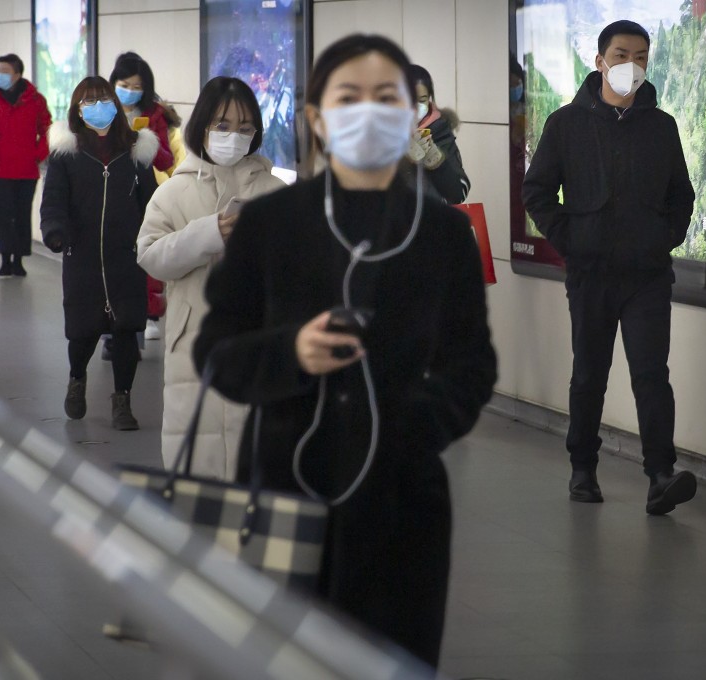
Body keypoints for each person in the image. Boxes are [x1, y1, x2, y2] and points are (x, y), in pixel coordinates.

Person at [192, 34, 496, 671]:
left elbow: (472, 364)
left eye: (388, 98)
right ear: (316, 119)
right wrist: (290, 353)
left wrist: (419, 424)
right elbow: (217, 351)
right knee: (282, 660)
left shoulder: (442, 232)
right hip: (280, 488)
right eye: (348, 97)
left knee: (392, 660)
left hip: (402, 500)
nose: (369, 111)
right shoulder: (272, 223)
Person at [522, 20, 697, 514]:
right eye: (621, 55)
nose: (632, 66)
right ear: (599, 61)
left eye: (641, 56)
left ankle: (660, 474)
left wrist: (664, 238)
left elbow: (681, 197)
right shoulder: (566, 124)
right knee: (589, 375)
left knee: (651, 375)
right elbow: (536, 192)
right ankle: (582, 468)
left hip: (646, 276)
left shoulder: (661, 127)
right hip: (590, 273)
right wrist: (572, 242)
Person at [137, 76, 286, 480]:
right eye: (222, 125)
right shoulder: (173, 192)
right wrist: (209, 233)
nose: (232, 136)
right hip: (192, 342)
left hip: (259, 341)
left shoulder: (276, 193)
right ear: (202, 125)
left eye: (243, 128)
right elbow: (150, 256)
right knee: (194, 463)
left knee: (256, 463)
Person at [40, 76, 158, 430]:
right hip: (83, 255)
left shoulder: (136, 150)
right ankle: (77, 379)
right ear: (77, 109)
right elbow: (54, 200)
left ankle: (122, 400)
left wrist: (153, 236)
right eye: (88, 101)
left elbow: (152, 202)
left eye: (102, 99)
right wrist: (56, 232)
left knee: (126, 329)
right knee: (82, 331)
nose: (98, 106)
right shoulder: (67, 152)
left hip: (126, 255)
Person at [109, 52, 181, 344]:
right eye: (124, 84)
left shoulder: (155, 115)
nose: (128, 91)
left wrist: (146, 140)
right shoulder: (99, 108)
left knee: (142, 256)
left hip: (142, 194)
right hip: (107, 193)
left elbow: (165, 160)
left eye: (136, 86)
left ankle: (145, 315)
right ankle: (111, 324)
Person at [0, 53, 52, 278]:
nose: (0, 75)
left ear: (18, 74)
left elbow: (48, 129)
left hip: (26, 170)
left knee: (21, 214)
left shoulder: (35, 100)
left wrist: (37, 156)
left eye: (5, 71)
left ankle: (19, 259)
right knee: (3, 214)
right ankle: (5, 259)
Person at [404, 64, 470, 204]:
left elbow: (459, 193)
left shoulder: (439, 133)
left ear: (429, 99)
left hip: (431, 222)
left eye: (421, 100)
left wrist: (435, 159)